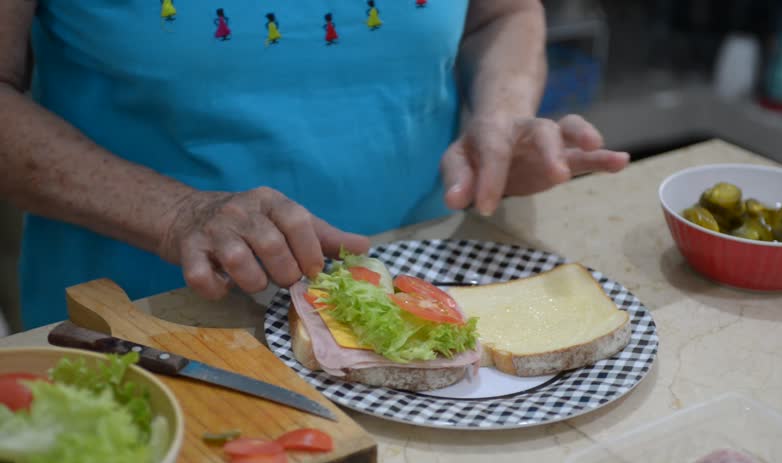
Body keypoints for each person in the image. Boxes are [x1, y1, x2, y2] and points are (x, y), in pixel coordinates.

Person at [0, 1, 629, 330]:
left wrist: (501, 112)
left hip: (421, 295)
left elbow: (504, 14)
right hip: (157, 323)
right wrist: (178, 215)